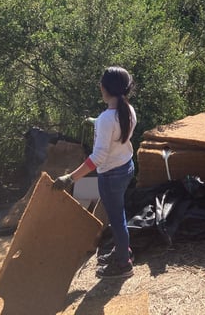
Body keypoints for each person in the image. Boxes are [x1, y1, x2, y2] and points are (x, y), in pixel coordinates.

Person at [53, 66, 137, 279]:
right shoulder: (127, 110)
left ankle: (124, 265)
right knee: (118, 214)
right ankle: (122, 251)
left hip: (110, 175)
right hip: (126, 167)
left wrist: (71, 178)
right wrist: (95, 122)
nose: (99, 86)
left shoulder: (107, 118)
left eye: (101, 83)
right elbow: (114, 131)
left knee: (116, 218)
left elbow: (98, 157)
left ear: (106, 88)